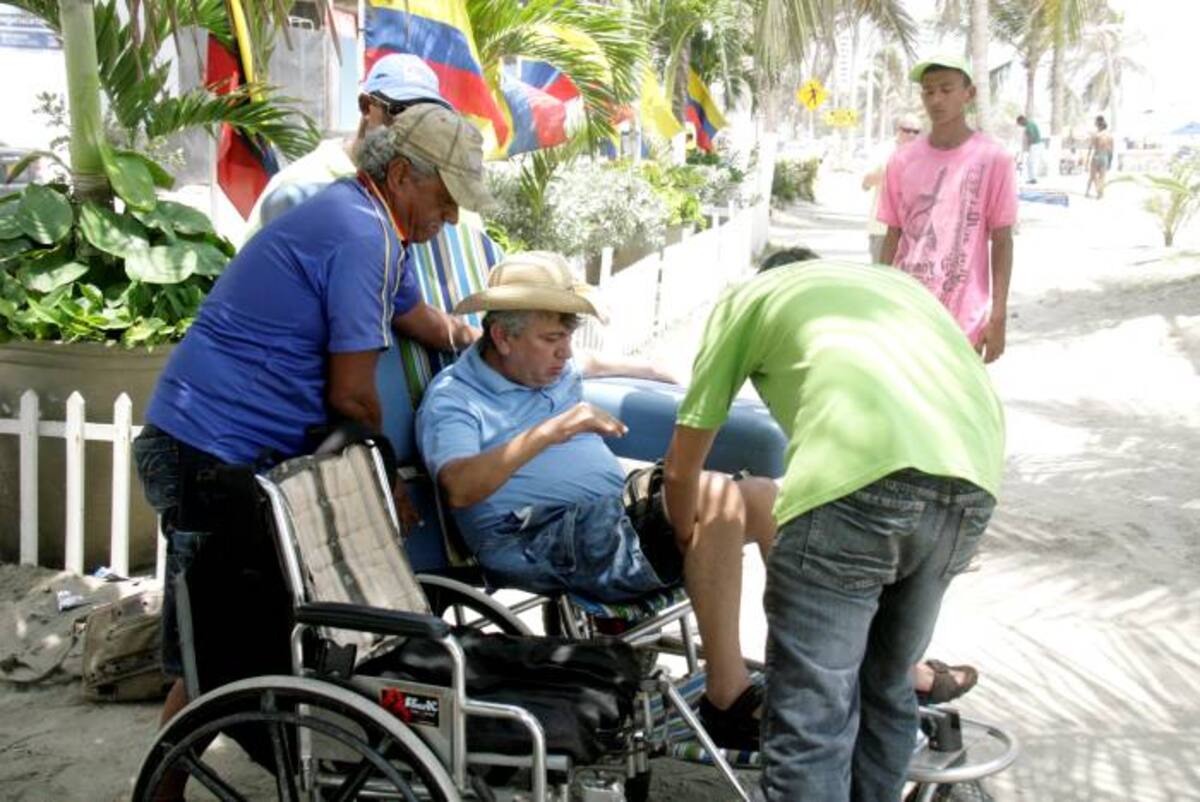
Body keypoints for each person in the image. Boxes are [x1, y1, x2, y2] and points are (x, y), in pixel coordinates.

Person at [132, 104, 492, 783]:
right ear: (404, 176)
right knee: (215, 640)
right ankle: (164, 783)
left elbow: (410, 310)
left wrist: (473, 339)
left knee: (238, 626)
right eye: (445, 201)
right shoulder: (361, 234)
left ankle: (225, 768)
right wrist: (383, 477)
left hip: (229, 448)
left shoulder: (373, 221)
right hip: (204, 448)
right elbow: (352, 396)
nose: (449, 219)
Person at [663, 250, 1005, 802]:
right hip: (971, 481)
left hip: (857, 484)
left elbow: (684, 464)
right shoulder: (896, 289)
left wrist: (686, 534)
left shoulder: (750, 299)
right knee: (886, 689)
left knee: (812, 714)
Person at [415, 251, 780, 750]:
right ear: (502, 336)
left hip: (613, 523)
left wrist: (652, 367)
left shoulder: (548, 368)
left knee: (763, 496)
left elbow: (588, 361)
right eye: (551, 339)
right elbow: (458, 485)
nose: (564, 352)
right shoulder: (455, 399)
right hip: (538, 538)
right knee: (714, 495)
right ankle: (728, 697)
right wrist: (554, 429)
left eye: (567, 336)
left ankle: (812, 669)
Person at [245, 52, 478, 352]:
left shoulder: (440, 199)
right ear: (367, 107)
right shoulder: (299, 190)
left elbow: (420, 310)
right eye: (400, 113)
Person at [878, 55, 1017, 363]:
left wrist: (999, 316)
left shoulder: (994, 159)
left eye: (946, 89)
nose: (936, 99)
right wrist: (879, 298)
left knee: (953, 406)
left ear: (969, 94)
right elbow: (892, 235)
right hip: (906, 312)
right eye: (928, 91)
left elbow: (1003, 240)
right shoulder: (902, 160)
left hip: (964, 319)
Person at [862, 114, 922, 263]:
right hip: (882, 229)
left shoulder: (924, 154)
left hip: (913, 232)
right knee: (880, 276)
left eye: (916, 132)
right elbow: (866, 183)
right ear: (898, 130)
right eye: (907, 130)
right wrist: (894, 167)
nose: (911, 135)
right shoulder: (884, 150)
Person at [1085, 115, 1114, 199]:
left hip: (1097, 155)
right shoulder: (1110, 136)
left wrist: (1087, 161)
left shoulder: (1095, 135)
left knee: (1093, 176)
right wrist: (1110, 162)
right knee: (1102, 177)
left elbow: (1090, 148)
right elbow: (1111, 151)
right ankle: (1100, 193)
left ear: (1097, 124)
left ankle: (1095, 191)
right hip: (1105, 156)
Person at [1016, 113, 1043, 184]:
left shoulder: (1029, 126)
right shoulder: (1031, 124)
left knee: (1030, 162)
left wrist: (1029, 145)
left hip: (1035, 145)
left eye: (1020, 123)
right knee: (1030, 162)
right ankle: (1032, 178)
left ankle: (1033, 179)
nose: (1021, 125)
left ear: (1022, 120)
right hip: (1036, 145)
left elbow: (1032, 136)